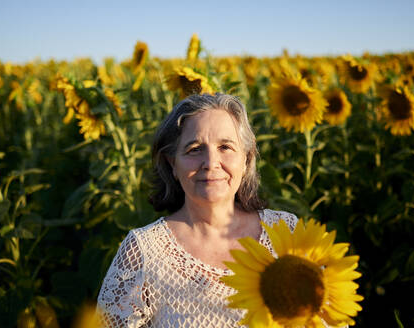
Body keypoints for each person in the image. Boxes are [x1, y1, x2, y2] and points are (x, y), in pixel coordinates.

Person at [97, 93, 298, 327]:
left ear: (246, 159)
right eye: (194, 149)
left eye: (225, 147)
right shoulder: (143, 252)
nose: (211, 162)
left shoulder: (286, 233)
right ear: (173, 164)